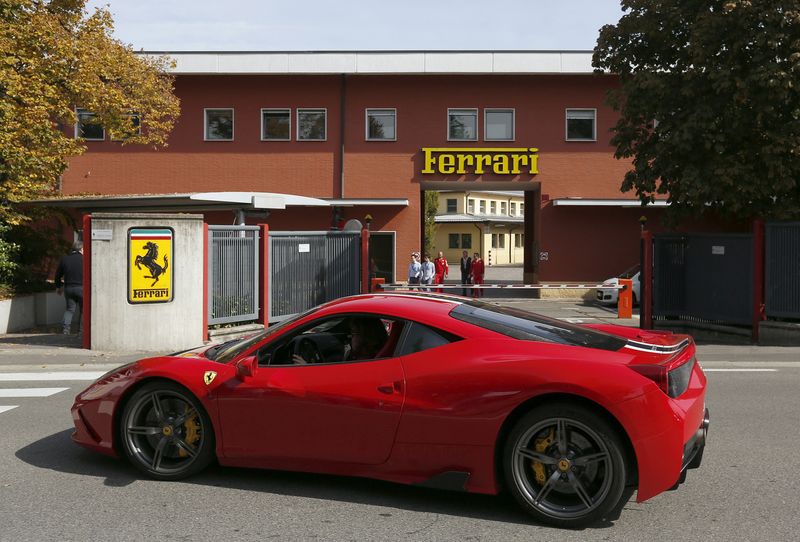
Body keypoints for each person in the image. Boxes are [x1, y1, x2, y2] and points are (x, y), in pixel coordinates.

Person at [55, 241, 84, 335]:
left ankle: (66, 330)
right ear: (81, 249)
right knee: (83, 310)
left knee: (69, 310)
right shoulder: (85, 259)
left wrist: (58, 287)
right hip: (82, 288)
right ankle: (81, 331)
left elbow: (57, 275)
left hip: (68, 288)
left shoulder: (65, 259)